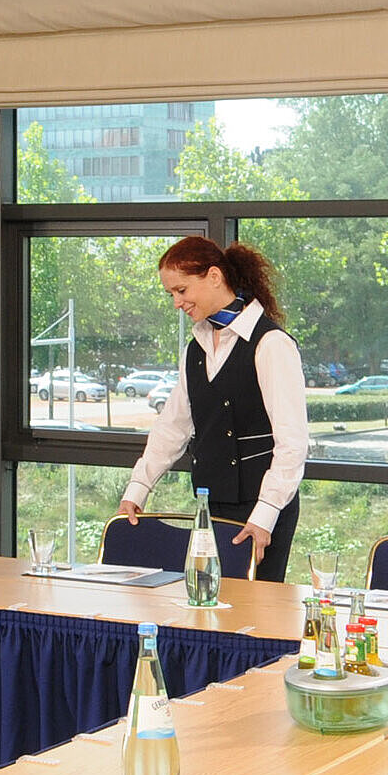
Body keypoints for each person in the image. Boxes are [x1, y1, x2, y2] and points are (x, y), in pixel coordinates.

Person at [114, 235, 309, 580]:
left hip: (262, 507)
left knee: (252, 609)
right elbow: (172, 428)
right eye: (171, 294)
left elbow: (292, 443)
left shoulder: (271, 344)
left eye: (182, 290)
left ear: (214, 276)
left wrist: (265, 514)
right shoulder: (196, 348)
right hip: (211, 502)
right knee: (206, 602)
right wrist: (138, 489)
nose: (177, 303)